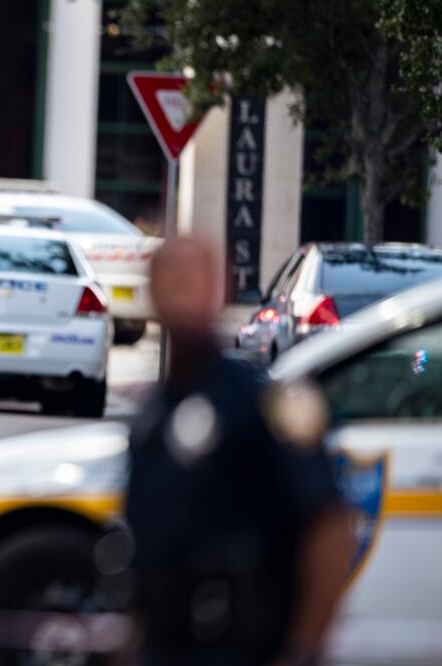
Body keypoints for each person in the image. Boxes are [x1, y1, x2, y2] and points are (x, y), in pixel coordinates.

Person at [125, 237, 354, 666]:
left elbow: (329, 527)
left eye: (193, 282)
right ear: (151, 293)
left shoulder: (263, 404)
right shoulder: (151, 418)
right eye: (170, 281)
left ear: (220, 290)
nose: (181, 297)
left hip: (240, 645)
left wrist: (304, 647)